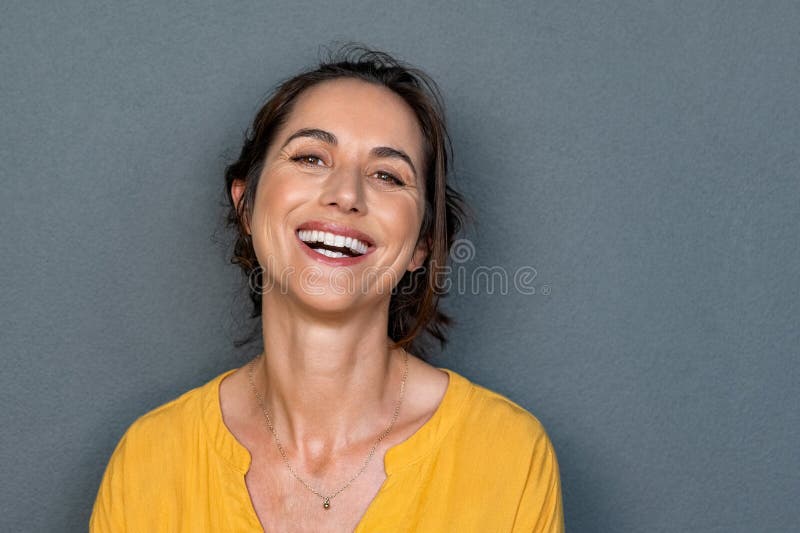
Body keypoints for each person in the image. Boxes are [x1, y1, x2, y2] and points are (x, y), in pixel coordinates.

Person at [90, 45, 564, 532]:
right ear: (246, 204)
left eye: (387, 174)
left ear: (422, 244)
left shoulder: (508, 456)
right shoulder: (148, 461)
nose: (346, 195)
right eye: (312, 157)